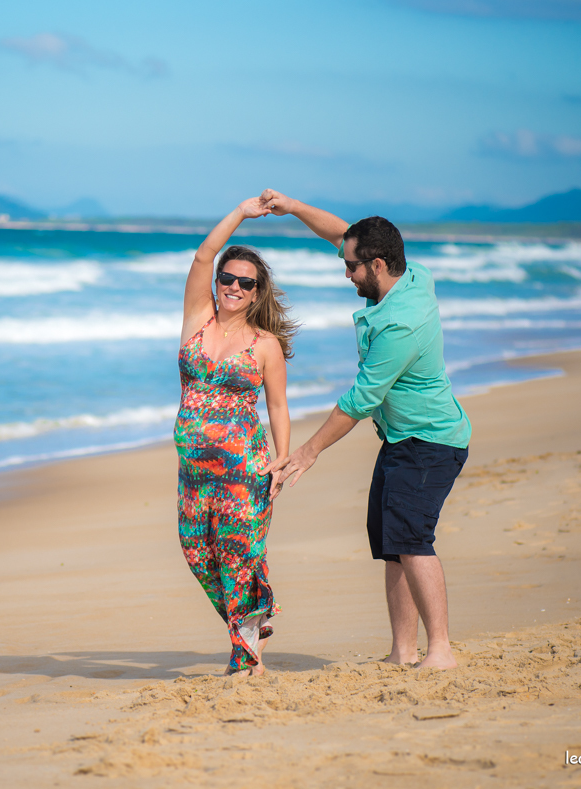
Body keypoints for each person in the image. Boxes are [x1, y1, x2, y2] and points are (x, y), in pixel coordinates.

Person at [260, 189, 471, 670]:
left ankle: (440, 649)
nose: (347, 274)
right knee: (392, 542)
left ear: (376, 265)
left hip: (430, 441)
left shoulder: (399, 324)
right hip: (402, 439)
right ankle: (403, 650)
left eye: (352, 267)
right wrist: (294, 208)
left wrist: (308, 452)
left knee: (413, 540)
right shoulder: (413, 276)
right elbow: (343, 234)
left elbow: (361, 400)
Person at [176, 196, 298, 676]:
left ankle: (247, 655)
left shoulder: (265, 346)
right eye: (227, 278)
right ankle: (252, 626)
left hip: (244, 469)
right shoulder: (196, 320)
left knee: (240, 556)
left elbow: (278, 406)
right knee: (196, 553)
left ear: (256, 293)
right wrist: (241, 213)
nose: (233, 286)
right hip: (193, 471)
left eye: (245, 283)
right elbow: (202, 256)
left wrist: (283, 460)